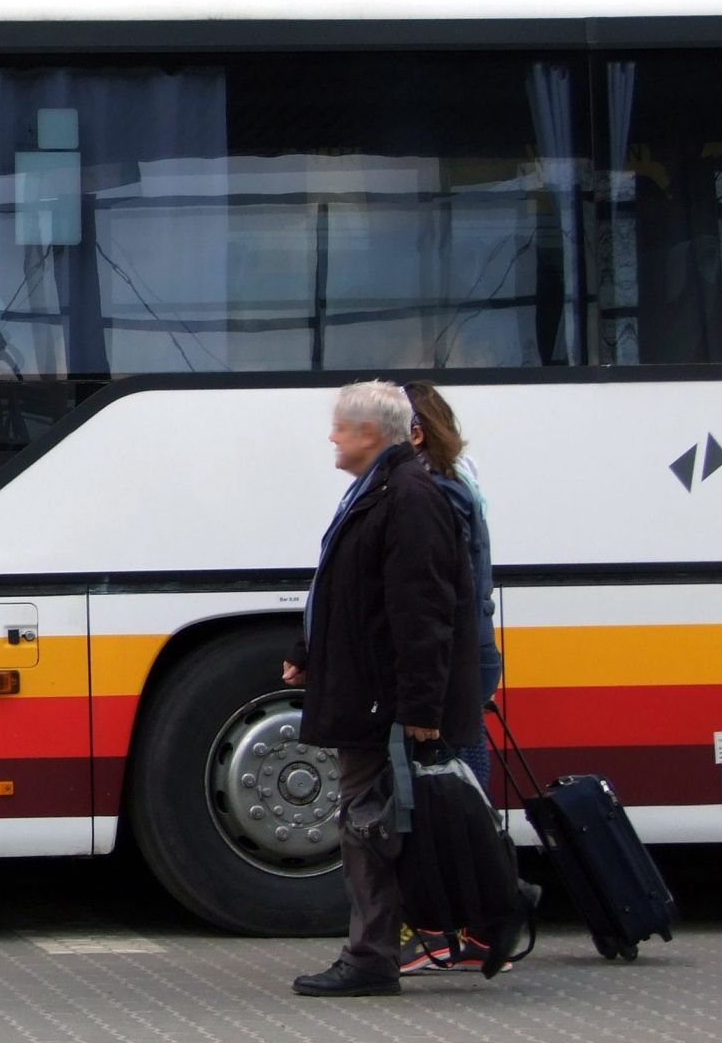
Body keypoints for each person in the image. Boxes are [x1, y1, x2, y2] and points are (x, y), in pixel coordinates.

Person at [285, 381, 481, 998]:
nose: (332, 437)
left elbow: (423, 610)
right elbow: (347, 591)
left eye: (341, 427)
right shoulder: (378, 490)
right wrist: (308, 653)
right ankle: (375, 949)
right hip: (365, 688)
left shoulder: (411, 497)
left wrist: (420, 706)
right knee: (366, 820)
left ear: (372, 433)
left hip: (381, 697)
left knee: (368, 824)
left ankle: (371, 957)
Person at [398, 380, 506, 976]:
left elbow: (438, 597)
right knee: (464, 794)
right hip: (465, 658)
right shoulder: (456, 484)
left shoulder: (437, 494)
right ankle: (479, 928)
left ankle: (473, 927)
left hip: (453, 663)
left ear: (415, 431)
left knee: (455, 800)